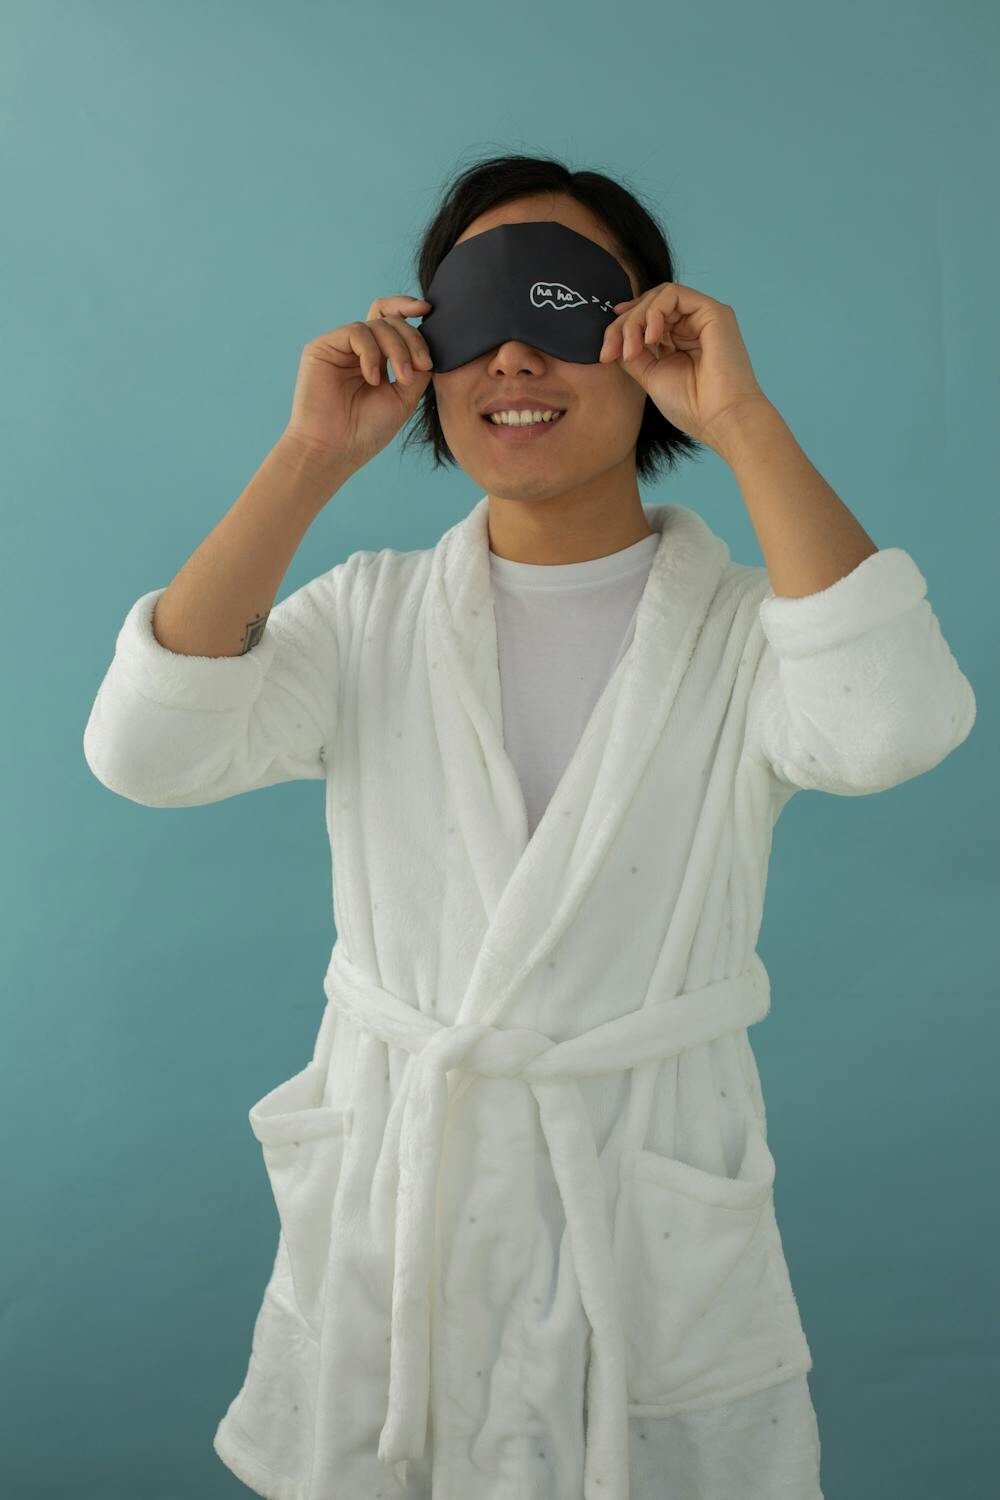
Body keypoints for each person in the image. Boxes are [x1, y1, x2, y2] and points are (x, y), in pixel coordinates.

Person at [83, 153, 976, 1500]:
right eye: (476, 314)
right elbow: (148, 751)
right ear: (423, 351)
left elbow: (892, 723)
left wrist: (743, 420)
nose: (514, 354)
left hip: (638, 1207)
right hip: (406, 1200)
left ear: (647, 337)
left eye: (561, 307)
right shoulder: (367, 615)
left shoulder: (751, 630)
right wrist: (309, 457)